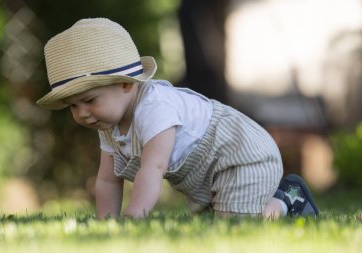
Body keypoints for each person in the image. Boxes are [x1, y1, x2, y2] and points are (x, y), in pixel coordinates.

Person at [37, 18, 319, 219]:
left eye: (88, 101)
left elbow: (153, 168)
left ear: (126, 84)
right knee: (208, 227)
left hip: (241, 153)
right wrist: (107, 224)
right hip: (206, 175)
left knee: (237, 227)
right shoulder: (107, 122)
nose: (82, 114)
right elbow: (108, 180)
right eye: (72, 106)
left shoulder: (154, 108)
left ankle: (287, 200)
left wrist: (134, 217)